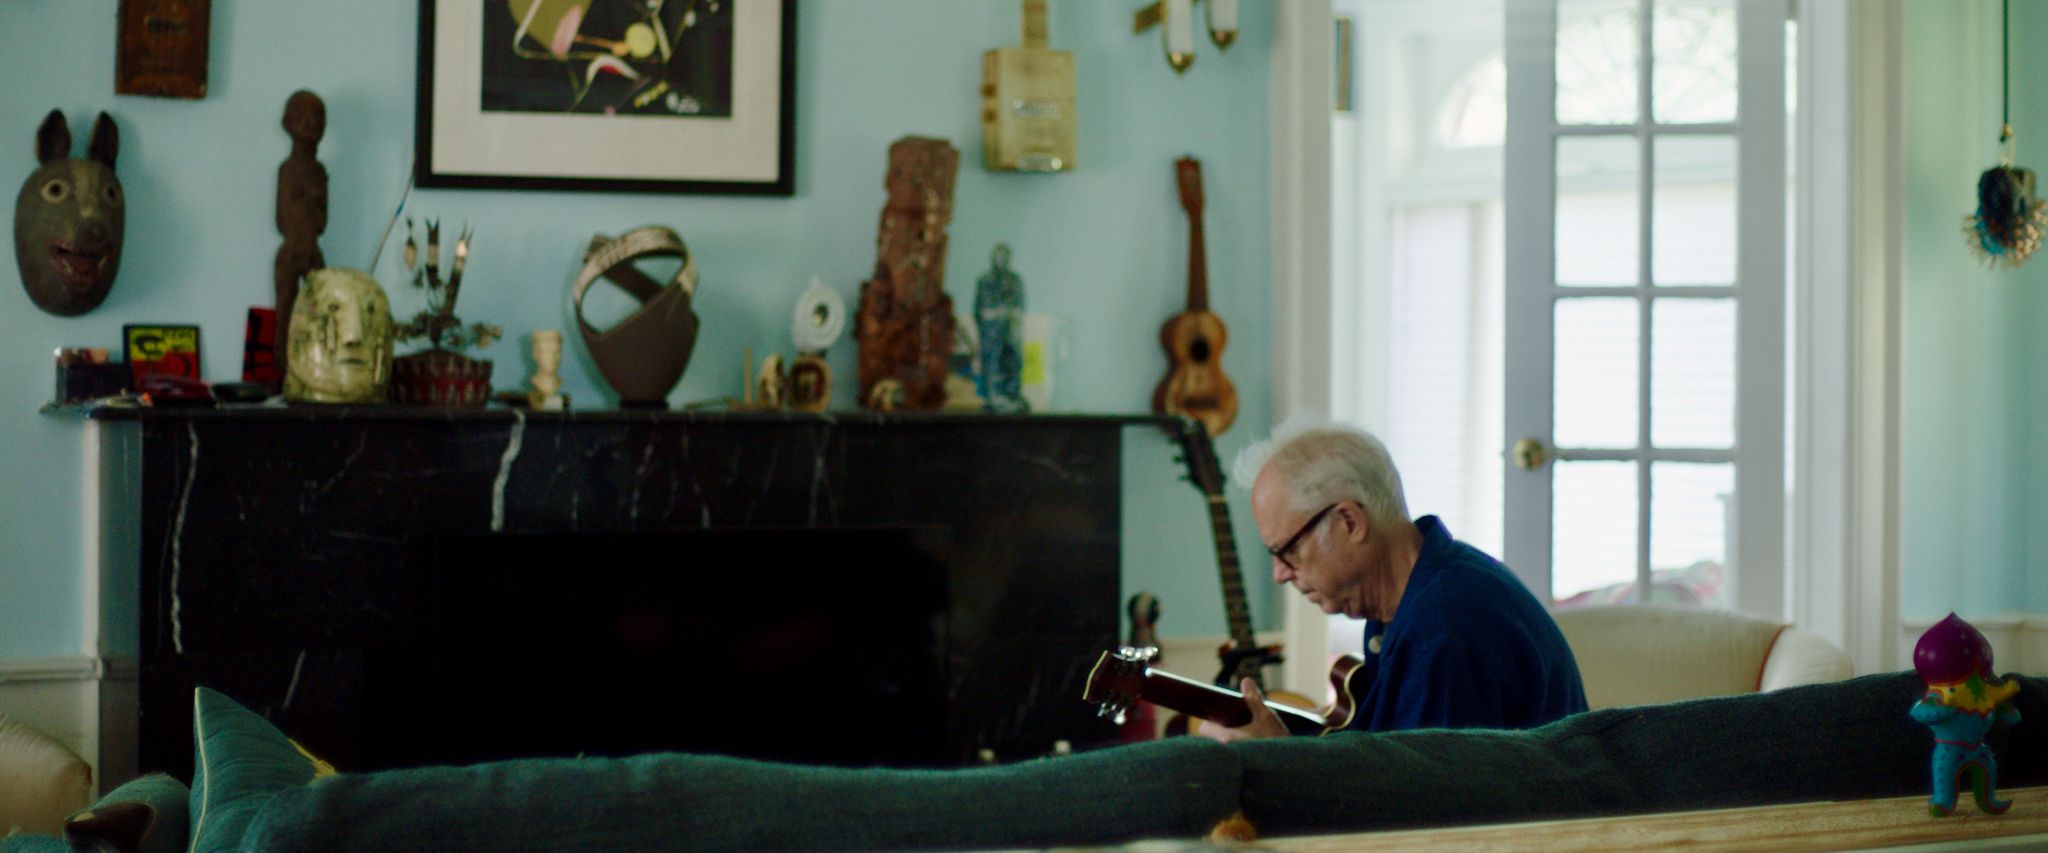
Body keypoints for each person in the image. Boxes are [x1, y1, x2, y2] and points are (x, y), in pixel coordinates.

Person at [1196, 422, 1586, 742]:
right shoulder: (1413, 597)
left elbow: (1423, 802)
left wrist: (1277, 760)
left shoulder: (1445, 622)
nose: (1280, 574)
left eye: (1289, 550)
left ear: (1349, 521)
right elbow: (1384, 760)